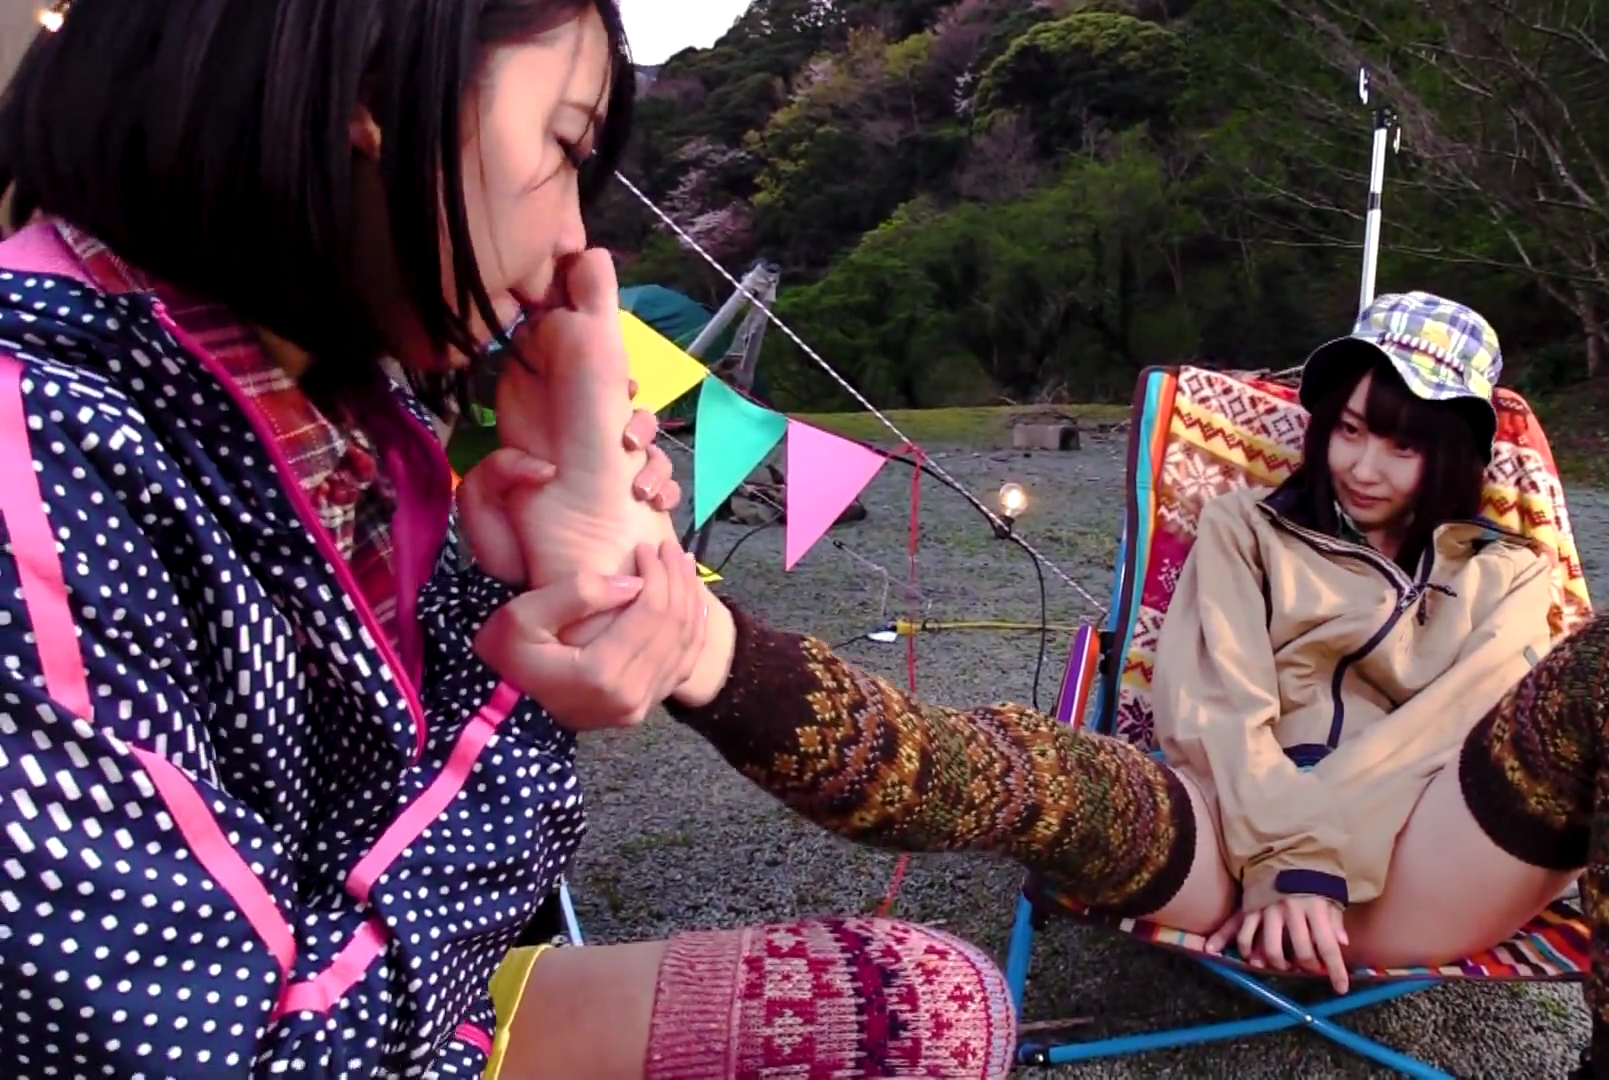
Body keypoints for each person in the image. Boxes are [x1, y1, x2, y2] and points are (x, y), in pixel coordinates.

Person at [0, 2, 1017, 1078]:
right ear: (372, 84)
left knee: (923, 1013)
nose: (576, 241)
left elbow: (367, 792)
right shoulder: (38, 465)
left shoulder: (340, 405)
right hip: (312, 1040)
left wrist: (523, 570)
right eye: (566, 146)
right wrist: (525, 699)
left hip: (385, 1001)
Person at [527, 292, 1609, 1080]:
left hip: (1436, 858)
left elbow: (1449, 728)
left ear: (1455, 452)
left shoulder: (1508, 573)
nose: (1364, 462)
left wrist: (1321, 860)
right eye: (1348, 425)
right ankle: (698, 648)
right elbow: (1212, 702)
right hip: (1224, 837)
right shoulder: (1244, 529)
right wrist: (1282, 852)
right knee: (1024, 769)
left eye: (1403, 438)